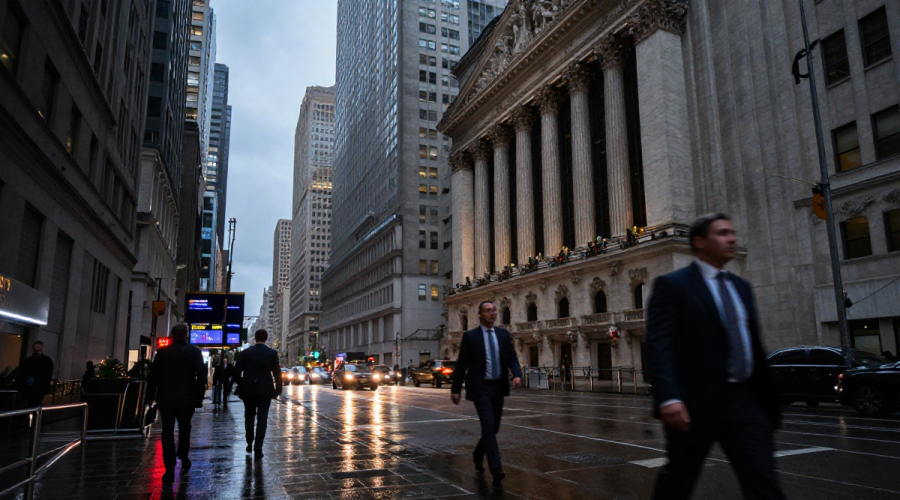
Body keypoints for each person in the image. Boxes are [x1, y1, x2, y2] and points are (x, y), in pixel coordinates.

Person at [645, 213, 784, 500]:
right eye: (722, 233)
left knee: (763, 481)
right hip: (695, 403)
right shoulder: (673, 285)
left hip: (744, 401)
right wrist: (668, 397)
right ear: (700, 242)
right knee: (679, 480)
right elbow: (658, 344)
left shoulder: (741, 287)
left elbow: (754, 346)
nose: (732, 238)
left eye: (732, 232)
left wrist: (766, 399)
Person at [450, 300, 522, 487]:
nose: (492, 313)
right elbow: (462, 364)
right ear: (480, 315)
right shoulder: (471, 337)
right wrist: (456, 389)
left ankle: (477, 454)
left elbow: (512, 357)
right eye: (488, 311)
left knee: (494, 427)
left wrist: (517, 374)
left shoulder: (503, 335)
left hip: (498, 386)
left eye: (494, 310)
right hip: (480, 387)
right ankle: (496, 468)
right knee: (488, 425)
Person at [146, 324, 205, 483]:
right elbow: (201, 376)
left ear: (172, 335)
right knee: (185, 428)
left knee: (167, 430)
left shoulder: (162, 353)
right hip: (187, 398)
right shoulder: (194, 351)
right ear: (186, 335)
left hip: (166, 397)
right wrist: (199, 397)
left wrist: (149, 397)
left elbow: (154, 377)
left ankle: (169, 467)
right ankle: (183, 455)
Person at [234, 329, 281, 459]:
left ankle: (249, 442)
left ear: (255, 338)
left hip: (248, 391)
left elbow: (236, 373)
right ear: (266, 338)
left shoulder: (245, 353)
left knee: (249, 417)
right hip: (265, 391)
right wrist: (278, 389)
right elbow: (277, 373)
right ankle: (258, 447)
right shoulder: (271, 353)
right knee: (262, 418)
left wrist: (243, 384)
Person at [16, 341, 54, 409]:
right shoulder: (46, 360)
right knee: (34, 405)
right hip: (35, 388)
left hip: (34, 388)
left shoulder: (29, 361)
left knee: (31, 405)